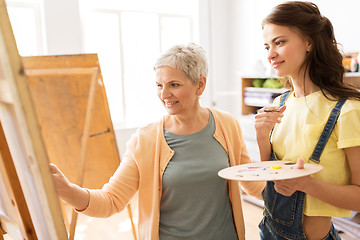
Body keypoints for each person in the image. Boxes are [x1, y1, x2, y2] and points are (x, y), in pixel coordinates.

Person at [50, 43, 265, 240]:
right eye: (159, 85)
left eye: (174, 84)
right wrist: (67, 191)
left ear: (200, 85)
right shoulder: (145, 139)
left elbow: (250, 181)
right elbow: (111, 200)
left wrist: (290, 185)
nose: (164, 94)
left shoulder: (227, 125)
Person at [255, 1, 360, 240]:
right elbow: (269, 177)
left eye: (279, 42)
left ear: (309, 42)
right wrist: (262, 137)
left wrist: (306, 184)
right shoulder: (281, 104)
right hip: (268, 231)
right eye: (267, 46)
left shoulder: (347, 110)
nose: (270, 54)